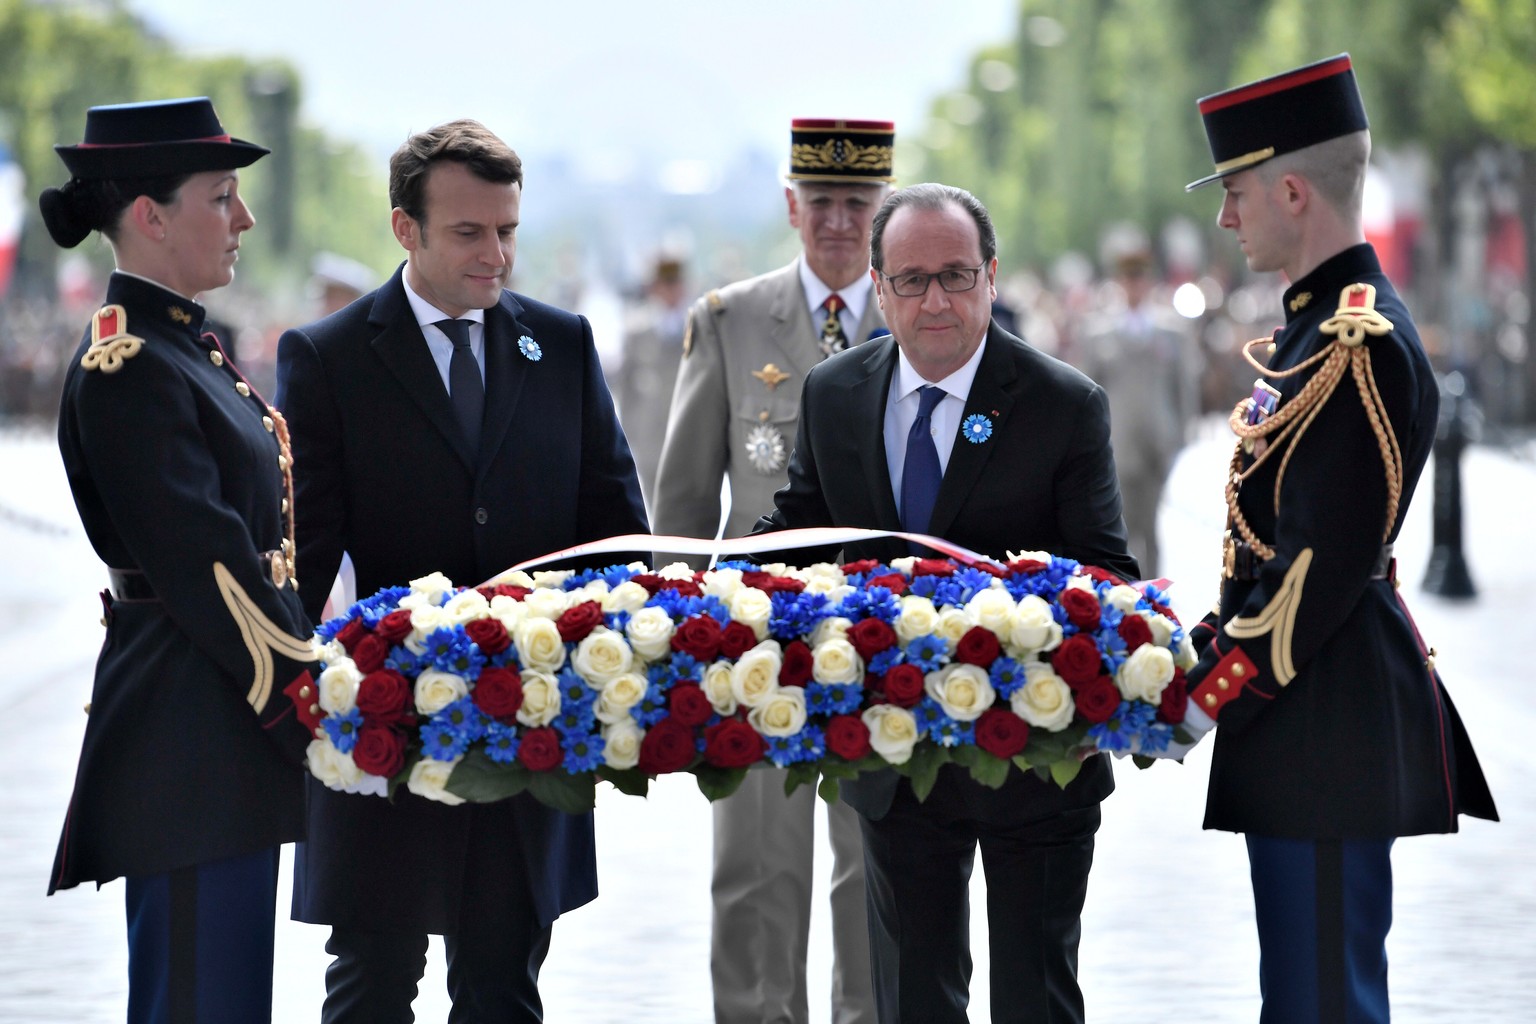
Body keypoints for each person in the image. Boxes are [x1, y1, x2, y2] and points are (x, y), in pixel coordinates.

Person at [274, 119, 647, 1023]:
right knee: (371, 985)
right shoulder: (327, 357)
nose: (497, 255)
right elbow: (302, 555)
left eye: (508, 230)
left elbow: (617, 531)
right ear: (406, 229)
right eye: (470, 233)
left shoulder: (560, 347)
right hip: (385, 734)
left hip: (530, 727)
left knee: (502, 990)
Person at [756, 182, 1139, 1023]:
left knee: (1034, 1000)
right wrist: (728, 582)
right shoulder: (833, 391)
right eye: (913, 279)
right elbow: (802, 527)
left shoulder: (1062, 403)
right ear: (880, 287)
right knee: (913, 1001)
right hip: (895, 754)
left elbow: (1106, 574)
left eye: (957, 277)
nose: (937, 301)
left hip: (1037, 755)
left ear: (993, 278)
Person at [1168, 54, 1499, 1022]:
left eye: (1235, 193)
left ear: (1293, 189)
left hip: (1322, 722)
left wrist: (1203, 696)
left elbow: (1310, 575)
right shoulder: (1322, 333)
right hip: (1311, 723)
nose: (1227, 218)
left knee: (1323, 1000)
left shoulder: (1359, 343)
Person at [40, 96, 317, 1023]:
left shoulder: (182, 347)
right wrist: (306, 690)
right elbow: (211, 563)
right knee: (200, 1001)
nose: (241, 219)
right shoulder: (133, 367)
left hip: (220, 729)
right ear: (152, 216)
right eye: (221, 195)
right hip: (194, 733)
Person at [652, 117, 896, 1024]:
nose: (840, 222)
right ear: (791, 206)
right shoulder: (729, 320)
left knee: (877, 865)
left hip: (891, 638)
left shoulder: (920, 313)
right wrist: (679, 633)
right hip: (758, 643)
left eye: (859, 203)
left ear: (885, 209)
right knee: (756, 869)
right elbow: (681, 502)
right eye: (823, 202)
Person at [1076, 244, 1200, 576]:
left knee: (1153, 525)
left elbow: (1184, 387)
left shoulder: (1170, 331)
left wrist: (1183, 433)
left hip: (1159, 444)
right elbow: (1086, 392)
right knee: (1122, 527)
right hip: (1117, 445)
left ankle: (1154, 593)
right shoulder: (1099, 333)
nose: (1134, 286)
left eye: (1140, 278)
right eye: (1128, 279)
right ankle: (1130, 594)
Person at [612, 252, 689, 507]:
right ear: (654, 287)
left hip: (688, 430)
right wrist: (629, 433)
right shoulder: (637, 329)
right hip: (650, 435)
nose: (670, 291)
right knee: (657, 505)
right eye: (664, 284)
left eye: (675, 283)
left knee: (689, 506)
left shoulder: (697, 325)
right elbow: (626, 386)